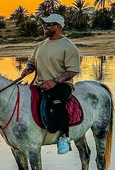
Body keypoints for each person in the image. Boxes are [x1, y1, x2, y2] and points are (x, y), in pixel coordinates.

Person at [21, 14, 80, 154]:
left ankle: (64, 137)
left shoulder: (69, 47)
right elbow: (32, 61)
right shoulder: (40, 46)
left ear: (58, 27)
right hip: (39, 84)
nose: (44, 27)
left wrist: (55, 81)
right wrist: (28, 68)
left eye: (48, 24)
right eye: (44, 24)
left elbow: (72, 71)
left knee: (56, 102)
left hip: (61, 85)